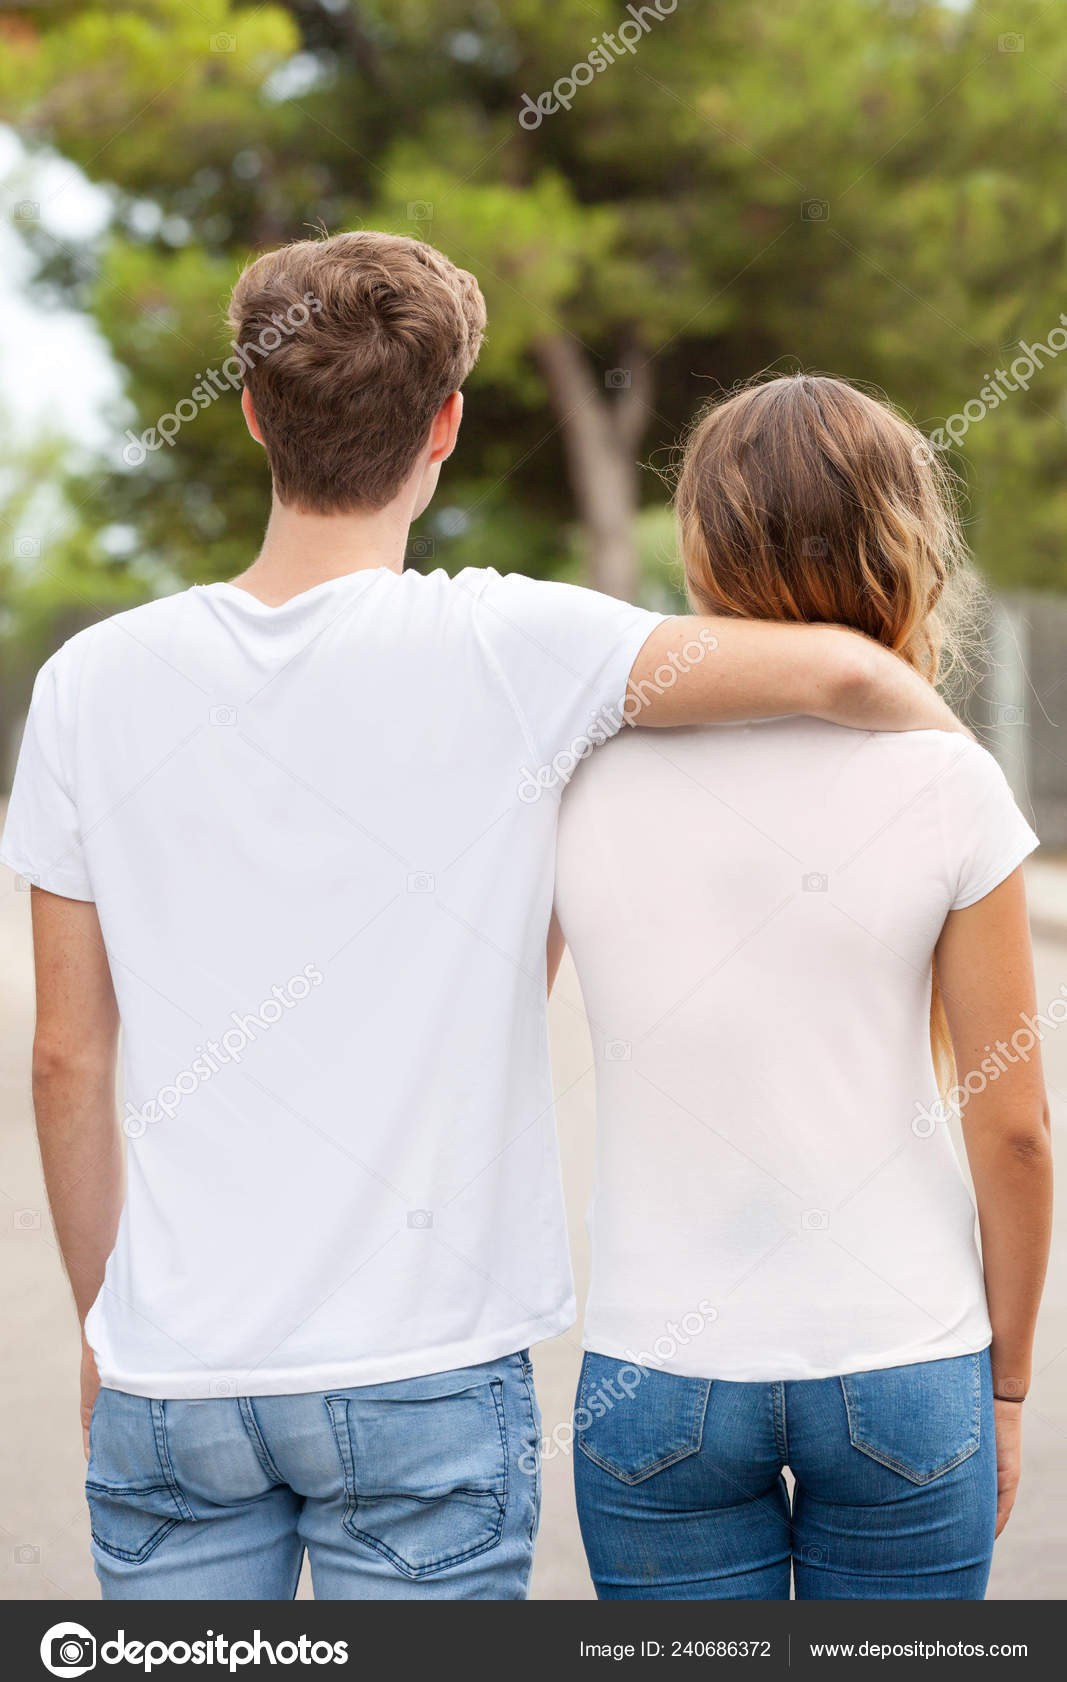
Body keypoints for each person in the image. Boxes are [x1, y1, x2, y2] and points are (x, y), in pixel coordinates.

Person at [3, 242, 965, 1601]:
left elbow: (66, 1062)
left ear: (252, 411)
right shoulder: (516, 647)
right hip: (425, 1375)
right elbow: (837, 671)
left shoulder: (90, 685)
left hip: (174, 1382)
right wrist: (956, 794)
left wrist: (107, 1322)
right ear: (444, 424)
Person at [553, 373, 1053, 1600]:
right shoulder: (943, 775)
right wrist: (1007, 1381)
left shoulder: (579, 774)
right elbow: (1016, 1128)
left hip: (649, 1370)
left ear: (702, 544)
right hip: (901, 1358)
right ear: (900, 539)